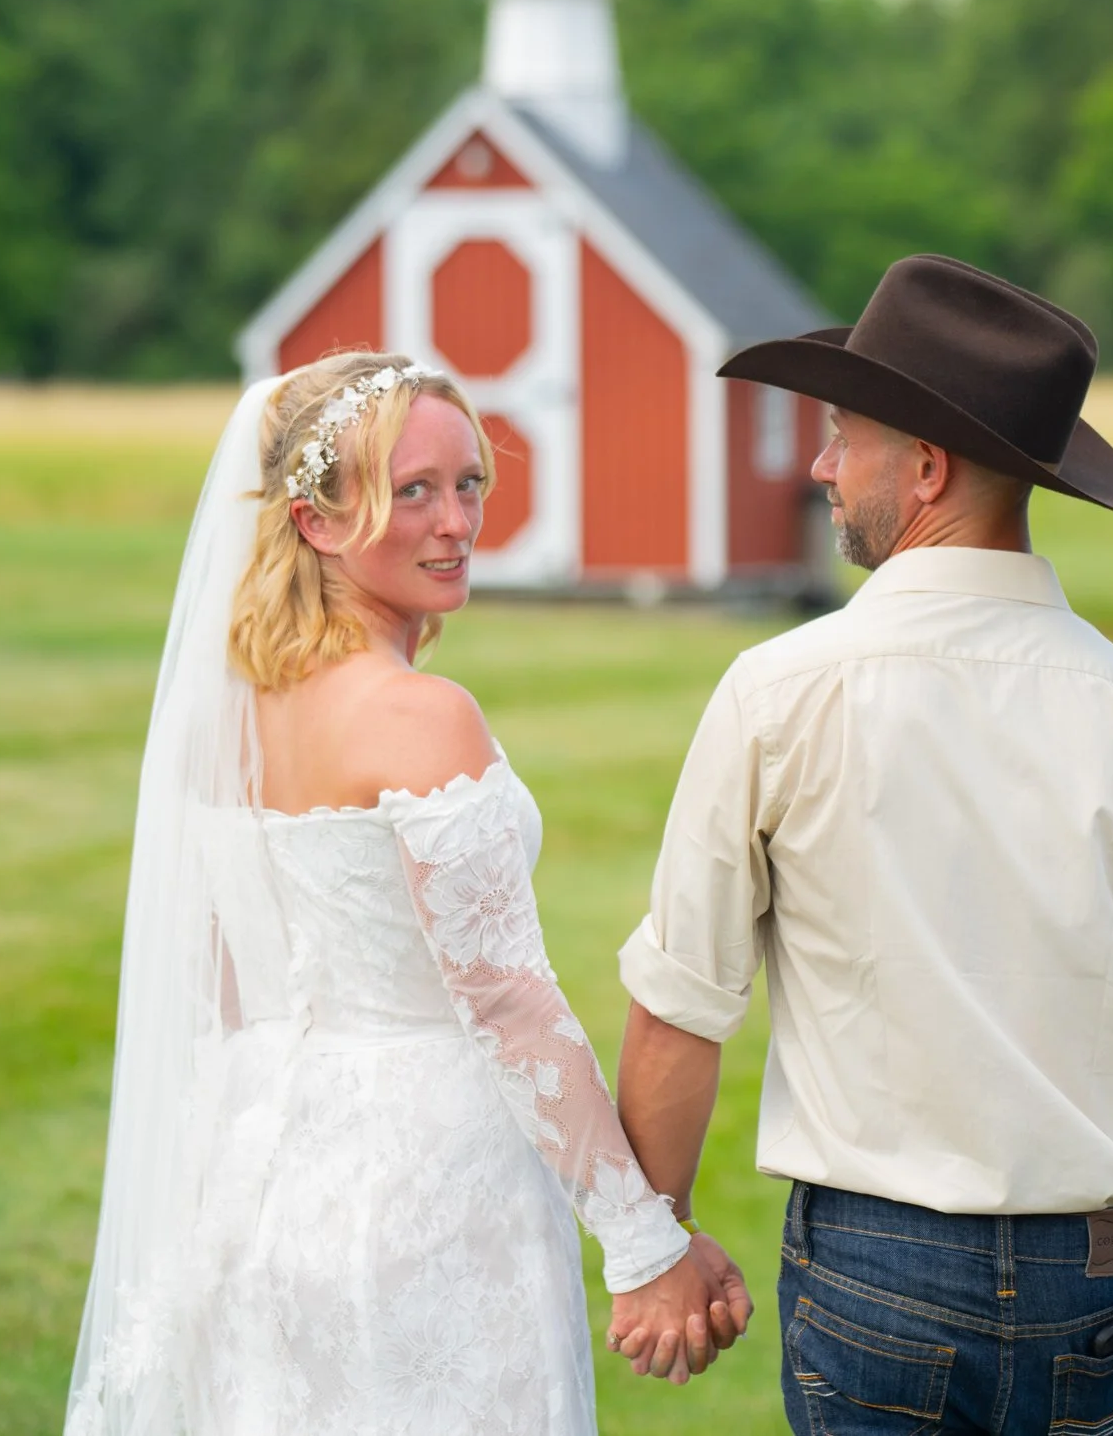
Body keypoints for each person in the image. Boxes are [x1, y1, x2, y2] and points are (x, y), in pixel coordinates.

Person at [611, 256, 1113, 1434]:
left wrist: (652, 1238)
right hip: (1100, 1282)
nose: (818, 465)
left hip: (878, 1273)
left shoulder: (777, 691)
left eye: (840, 435)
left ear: (924, 467)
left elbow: (683, 1005)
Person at [65, 352, 751, 1436]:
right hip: (429, 1190)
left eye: (469, 482)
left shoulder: (223, 723)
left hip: (249, 1178)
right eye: (413, 491)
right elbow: (508, 1004)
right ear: (316, 519)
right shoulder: (420, 716)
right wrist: (646, 1240)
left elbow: (221, 983)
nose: (456, 522)